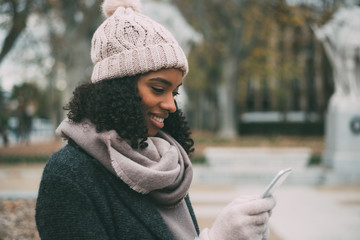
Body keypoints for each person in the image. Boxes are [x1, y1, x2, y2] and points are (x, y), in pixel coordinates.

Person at [35, 0, 276, 239]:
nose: (171, 105)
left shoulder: (164, 164)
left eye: (175, 92)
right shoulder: (68, 175)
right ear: (119, 88)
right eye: (159, 89)